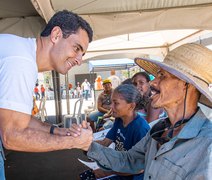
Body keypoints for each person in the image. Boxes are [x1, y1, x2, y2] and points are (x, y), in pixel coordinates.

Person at [86, 43, 212, 179]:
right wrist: (85, 144)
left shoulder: (207, 145)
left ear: (186, 85)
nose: (153, 82)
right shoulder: (157, 130)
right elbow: (129, 160)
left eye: (162, 75)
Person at [0, 10, 93, 179]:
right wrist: (74, 141)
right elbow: (12, 136)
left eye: (82, 54)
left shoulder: (22, 52)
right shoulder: (22, 61)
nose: (80, 60)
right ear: (56, 35)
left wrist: (57, 131)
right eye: (77, 48)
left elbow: (19, 119)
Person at [93, 84, 150, 180]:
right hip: (118, 167)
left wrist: (107, 171)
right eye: (111, 102)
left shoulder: (140, 129)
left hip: (129, 176)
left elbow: (138, 169)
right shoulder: (119, 120)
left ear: (131, 106)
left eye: (116, 103)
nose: (111, 106)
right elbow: (105, 143)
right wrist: (84, 143)